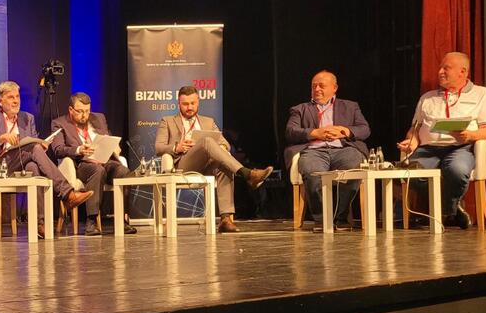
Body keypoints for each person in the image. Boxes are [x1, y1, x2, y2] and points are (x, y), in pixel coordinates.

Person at [0, 81, 92, 234]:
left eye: (17, 97)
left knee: (33, 166)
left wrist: (42, 146)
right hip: (0, 164)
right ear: (0, 101)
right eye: (11, 97)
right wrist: (1, 138)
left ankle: (39, 223)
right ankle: (67, 194)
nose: (16, 101)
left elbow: (33, 143)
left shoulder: (28, 118)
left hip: (23, 163)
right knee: (34, 148)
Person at [397, 51, 486, 229]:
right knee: (409, 173)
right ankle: (452, 210)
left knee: (457, 171)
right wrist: (411, 141)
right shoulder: (427, 97)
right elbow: (415, 129)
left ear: (462, 72)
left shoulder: (483, 94)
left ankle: (443, 210)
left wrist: (471, 135)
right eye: (440, 68)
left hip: (460, 148)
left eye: (446, 68)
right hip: (428, 149)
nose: (440, 72)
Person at [154, 85, 272, 232]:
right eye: (185, 104)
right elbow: (158, 147)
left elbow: (225, 143)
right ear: (179, 104)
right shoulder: (167, 121)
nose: (189, 107)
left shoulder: (208, 122)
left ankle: (225, 219)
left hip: (207, 165)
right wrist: (177, 147)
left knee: (223, 163)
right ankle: (247, 174)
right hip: (183, 165)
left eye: (193, 103)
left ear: (198, 102)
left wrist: (221, 148)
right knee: (207, 141)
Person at [284, 70, 370, 229]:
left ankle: (341, 216)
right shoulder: (300, 109)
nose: (317, 89)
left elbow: (364, 129)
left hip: (344, 149)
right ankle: (322, 219)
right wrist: (314, 133)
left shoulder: (350, 106)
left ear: (334, 88)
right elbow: (290, 132)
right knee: (312, 172)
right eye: (314, 86)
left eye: (321, 86)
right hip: (314, 150)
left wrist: (345, 131)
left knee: (355, 167)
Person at [49, 92, 134, 235]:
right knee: (97, 171)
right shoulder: (59, 123)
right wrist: (79, 149)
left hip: (104, 160)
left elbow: (107, 137)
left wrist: (114, 147)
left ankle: (122, 220)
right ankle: (91, 220)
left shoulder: (99, 118)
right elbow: (58, 149)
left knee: (124, 172)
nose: (84, 115)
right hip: (81, 164)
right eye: (80, 111)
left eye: (87, 111)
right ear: (71, 110)